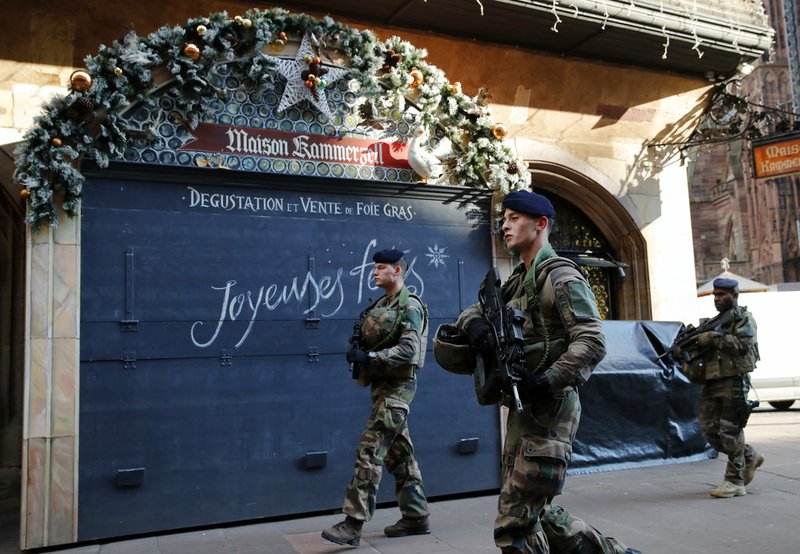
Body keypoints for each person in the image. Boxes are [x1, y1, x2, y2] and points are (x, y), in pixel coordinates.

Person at [451, 190, 640, 554]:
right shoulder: (517, 279)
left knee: (514, 524)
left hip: (551, 407)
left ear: (540, 224)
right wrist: (475, 325)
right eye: (503, 218)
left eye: (514, 218)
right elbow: (474, 310)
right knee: (539, 513)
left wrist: (546, 379)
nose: (504, 225)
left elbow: (592, 341)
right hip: (525, 411)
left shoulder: (561, 276)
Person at [321, 248, 430, 547]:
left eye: (381, 267)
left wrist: (370, 356)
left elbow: (409, 350)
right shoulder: (384, 303)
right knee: (400, 454)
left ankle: (352, 523)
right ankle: (416, 516)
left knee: (370, 451)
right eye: (375, 267)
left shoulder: (410, 306)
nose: (375, 272)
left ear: (397, 270)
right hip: (382, 389)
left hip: (397, 391)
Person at [687, 277, 763, 498]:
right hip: (713, 380)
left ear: (735, 296)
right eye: (715, 295)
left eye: (721, 295)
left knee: (730, 430)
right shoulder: (715, 321)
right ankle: (749, 455)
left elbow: (742, 346)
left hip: (734, 380)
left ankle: (734, 481)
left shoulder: (744, 319)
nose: (717, 299)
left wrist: (712, 338)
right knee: (709, 430)